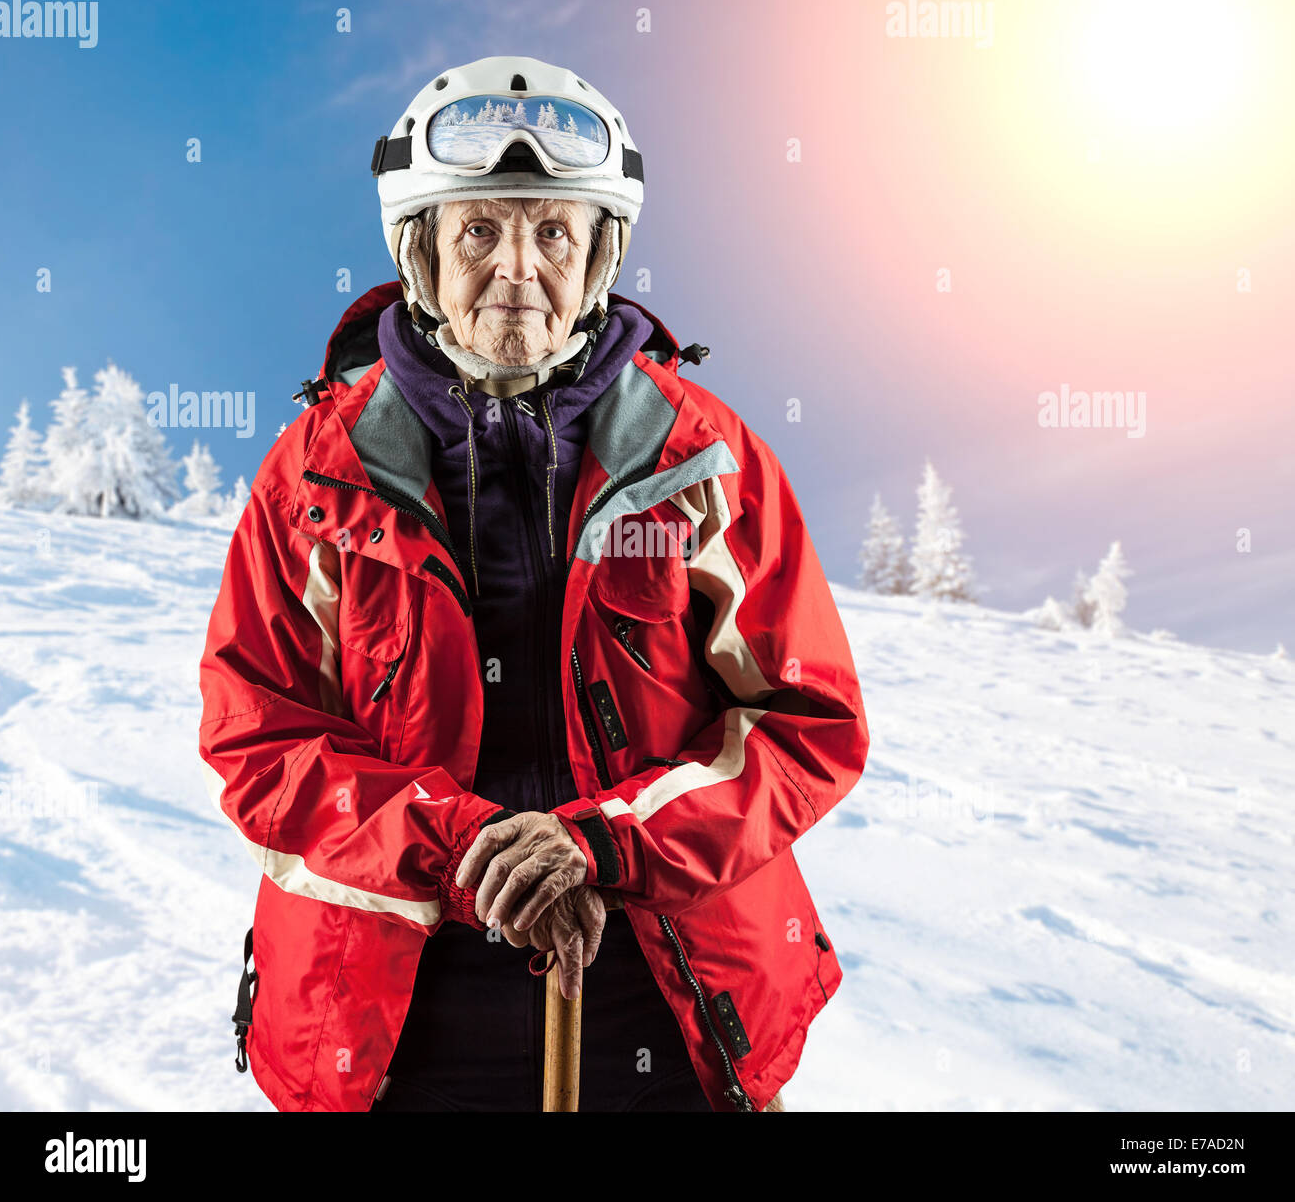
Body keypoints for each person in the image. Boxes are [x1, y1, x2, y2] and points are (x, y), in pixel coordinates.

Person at [198, 55, 869, 1113]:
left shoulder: (701, 459)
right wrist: (461, 843)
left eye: (554, 231)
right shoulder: (315, 473)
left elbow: (807, 720)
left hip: (667, 1010)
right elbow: (256, 740)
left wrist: (603, 839)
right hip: (389, 1029)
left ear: (600, 256)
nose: (517, 268)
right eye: (478, 231)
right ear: (418, 252)